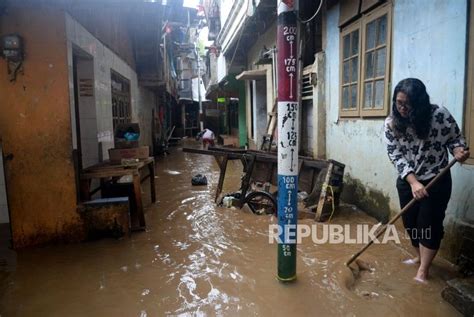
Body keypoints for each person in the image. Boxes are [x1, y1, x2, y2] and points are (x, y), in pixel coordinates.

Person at [384, 78, 470, 283]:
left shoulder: (440, 115)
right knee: (410, 223)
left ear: (420, 102)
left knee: (429, 224)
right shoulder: (391, 123)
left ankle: (423, 270)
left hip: (436, 178)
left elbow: (456, 139)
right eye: (399, 103)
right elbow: (395, 155)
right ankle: (418, 256)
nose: (402, 108)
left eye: (407, 104)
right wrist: (413, 182)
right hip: (408, 180)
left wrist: (459, 151)